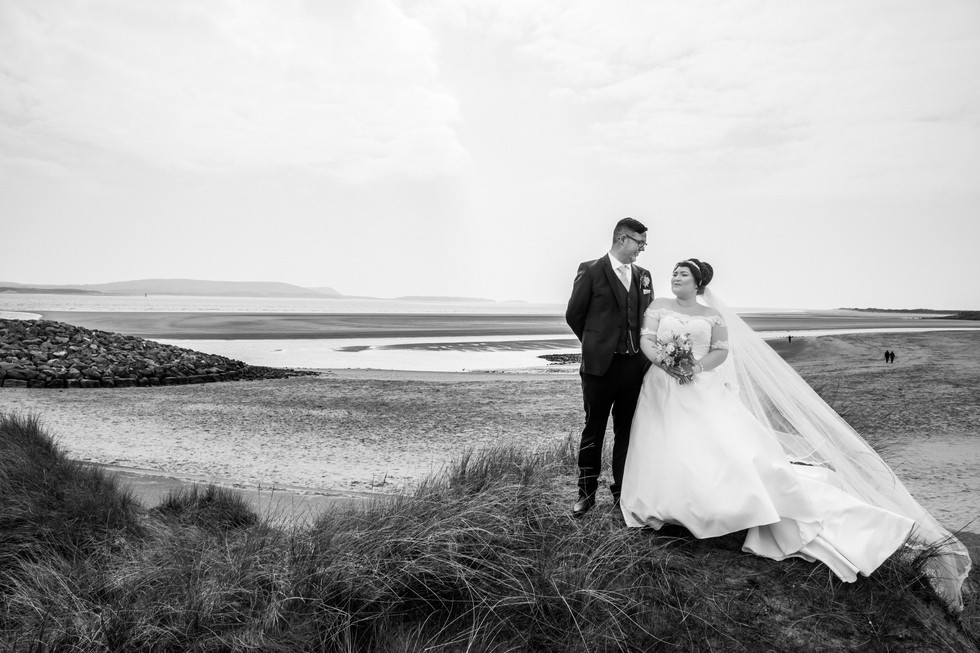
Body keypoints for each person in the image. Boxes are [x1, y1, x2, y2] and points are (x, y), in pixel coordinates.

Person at [620, 258, 970, 611]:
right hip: (662, 384)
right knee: (661, 443)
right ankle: (663, 506)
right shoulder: (659, 306)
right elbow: (648, 340)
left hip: (699, 386)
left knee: (716, 447)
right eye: (675, 273)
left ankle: (715, 508)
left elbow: (721, 351)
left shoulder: (713, 315)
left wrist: (693, 366)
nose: (675, 277)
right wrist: (666, 364)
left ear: (698, 283)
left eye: (683, 274)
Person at [565, 217, 654, 517]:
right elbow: (574, 315)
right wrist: (596, 344)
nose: (641, 250)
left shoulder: (644, 276)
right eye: (639, 243)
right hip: (599, 368)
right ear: (621, 239)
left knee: (627, 431)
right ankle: (585, 494)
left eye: (643, 244)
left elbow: (647, 318)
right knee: (594, 430)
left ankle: (623, 493)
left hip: (634, 367)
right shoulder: (589, 270)